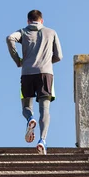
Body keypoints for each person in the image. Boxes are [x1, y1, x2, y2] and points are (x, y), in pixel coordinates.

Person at [6, 9, 62, 155]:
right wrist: (47, 62)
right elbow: (59, 56)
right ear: (42, 20)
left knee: (26, 105)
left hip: (27, 73)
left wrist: (18, 60)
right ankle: (42, 140)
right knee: (45, 109)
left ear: (28, 21)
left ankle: (30, 119)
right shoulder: (51, 32)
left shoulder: (24, 32)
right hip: (46, 74)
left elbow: (10, 38)